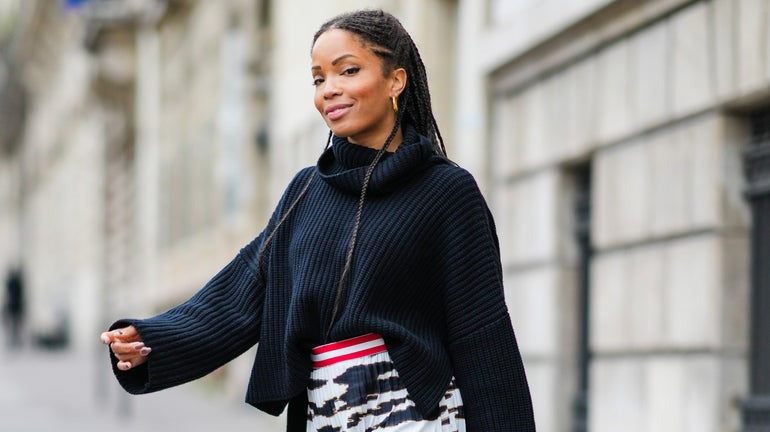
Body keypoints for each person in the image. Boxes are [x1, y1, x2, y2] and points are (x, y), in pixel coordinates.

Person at [100, 9, 535, 431]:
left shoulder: (446, 192)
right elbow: (243, 291)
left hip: (416, 414)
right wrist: (150, 341)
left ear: (395, 81)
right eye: (319, 77)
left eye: (348, 71)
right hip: (324, 413)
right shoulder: (306, 191)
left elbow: (482, 336)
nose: (329, 89)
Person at [4, 267, 25, 348]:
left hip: (14, 305)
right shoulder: (15, 283)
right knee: (14, 324)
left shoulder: (13, 283)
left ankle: (15, 340)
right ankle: (14, 340)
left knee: (16, 324)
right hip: (14, 305)